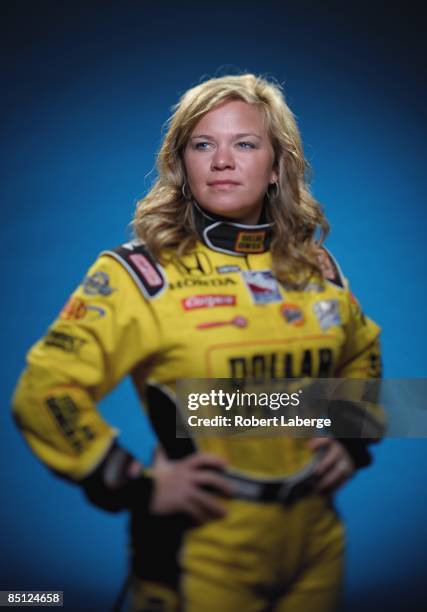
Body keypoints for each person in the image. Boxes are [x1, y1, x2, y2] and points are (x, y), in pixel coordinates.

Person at [12, 73, 382, 612]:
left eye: (246, 144)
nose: (222, 160)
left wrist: (353, 437)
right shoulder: (138, 273)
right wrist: (130, 485)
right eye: (203, 145)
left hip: (317, 540)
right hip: (206, 545)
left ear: (278, 167)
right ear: (182, 166)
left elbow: (361, 353)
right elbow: (43, 389)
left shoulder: (315, 267)